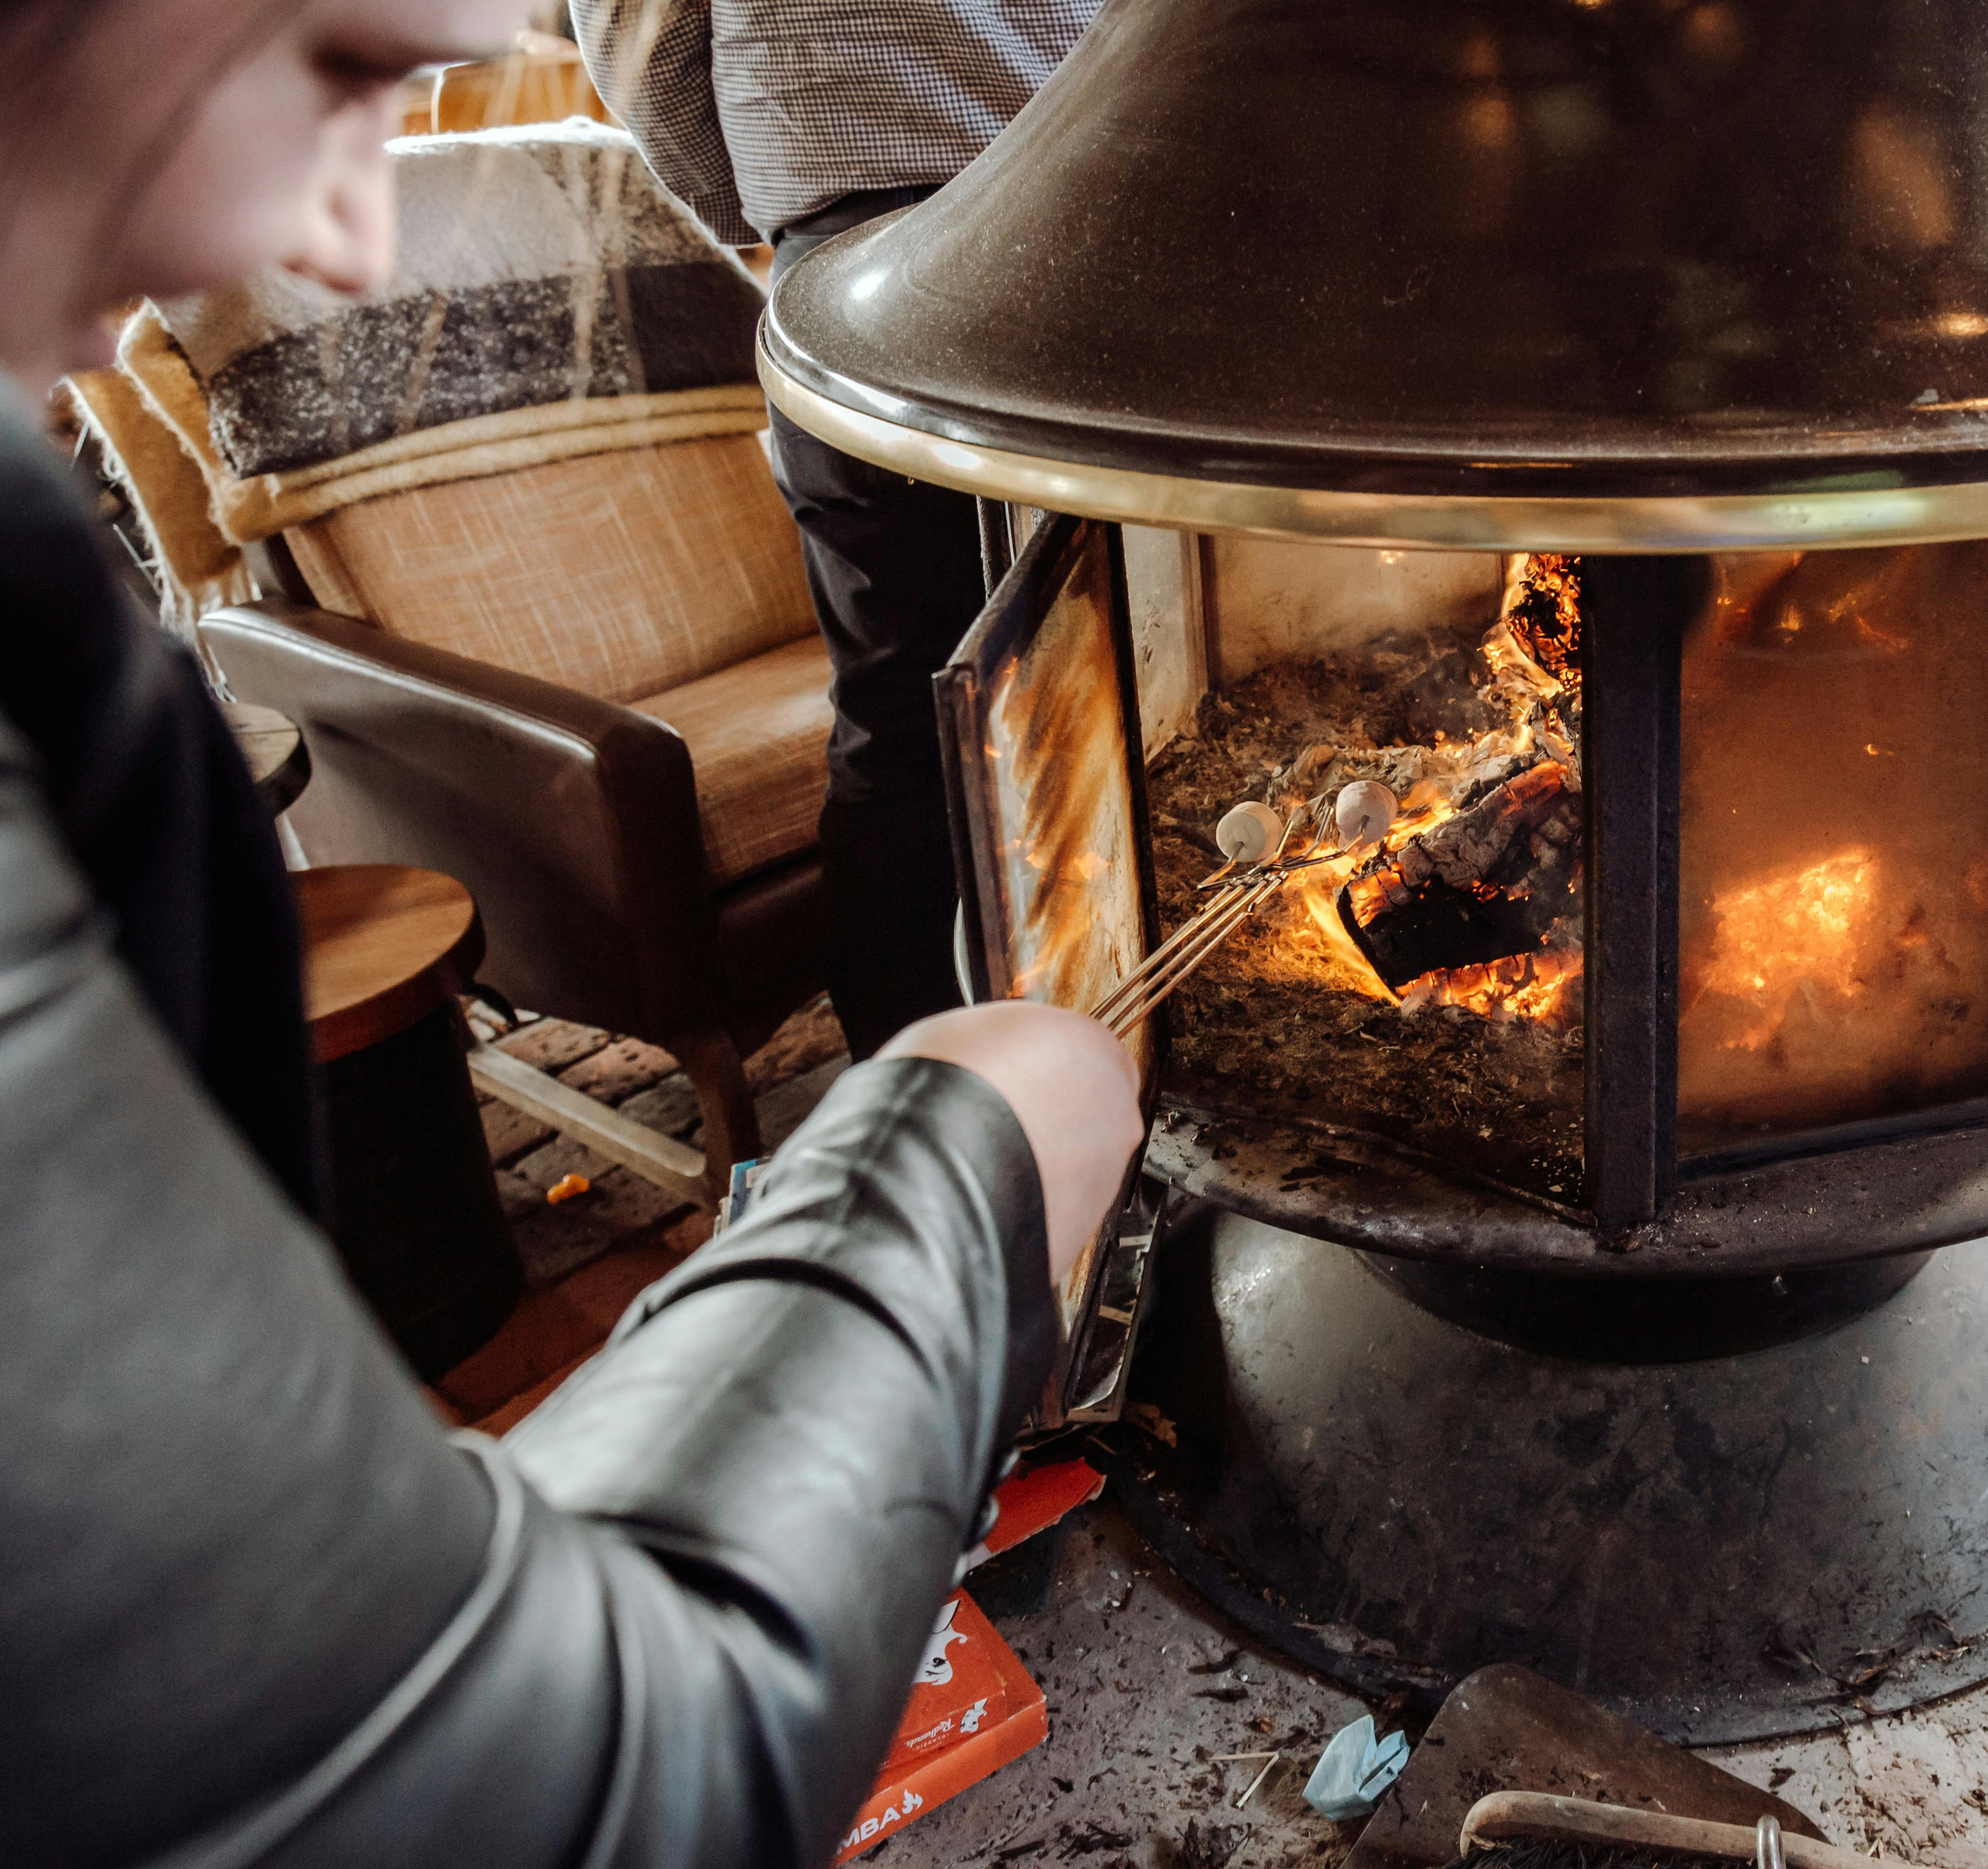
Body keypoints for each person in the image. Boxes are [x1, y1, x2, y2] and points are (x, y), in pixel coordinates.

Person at [0, 2, 1144, 1864]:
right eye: (342, 70)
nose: (354, 255)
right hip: (900, 255)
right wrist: (958, 1155)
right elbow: (493, 1788)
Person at [568, 0, 1104, 1061]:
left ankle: (918, 1105)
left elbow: (640, 24)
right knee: (1111, 674)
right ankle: (1126, 1069)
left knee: (906, 713)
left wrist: (765, 197)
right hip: (1091, 196)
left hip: (864, 236)